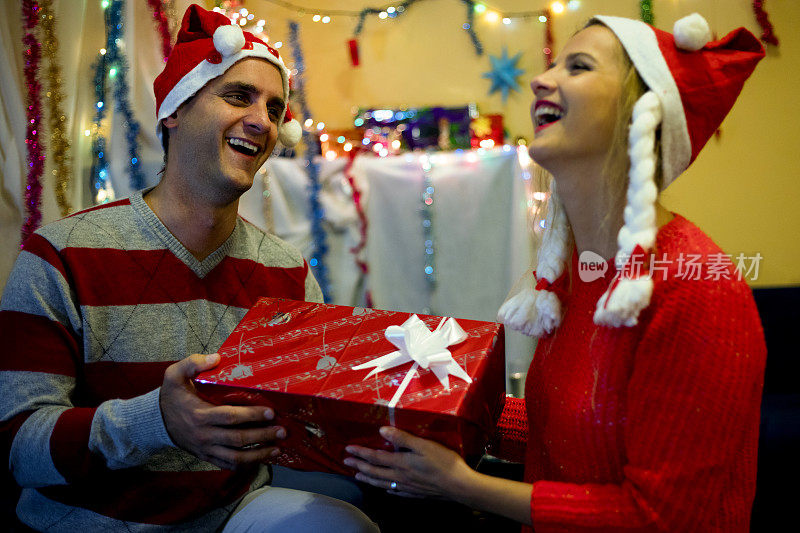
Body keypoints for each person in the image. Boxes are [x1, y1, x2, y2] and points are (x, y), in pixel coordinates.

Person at [345, 13, 767, 532]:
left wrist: (461, 484)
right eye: (552, 66)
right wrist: (441, 412)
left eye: (580, 66)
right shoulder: (578, 274)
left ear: (642, 114)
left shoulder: (697, 290)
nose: (541, 80)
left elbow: (667, 518)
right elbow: (568, 433)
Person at [0, 5, 376, 532]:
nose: (262, 121)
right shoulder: (61, 254)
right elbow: (17, 447)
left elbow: (304, 427)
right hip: (91, 522)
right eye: (238, 95)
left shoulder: (286, 272)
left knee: (344, 524)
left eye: (274, 108)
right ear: (174, 111)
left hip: (233, 513)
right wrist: (157, 421)